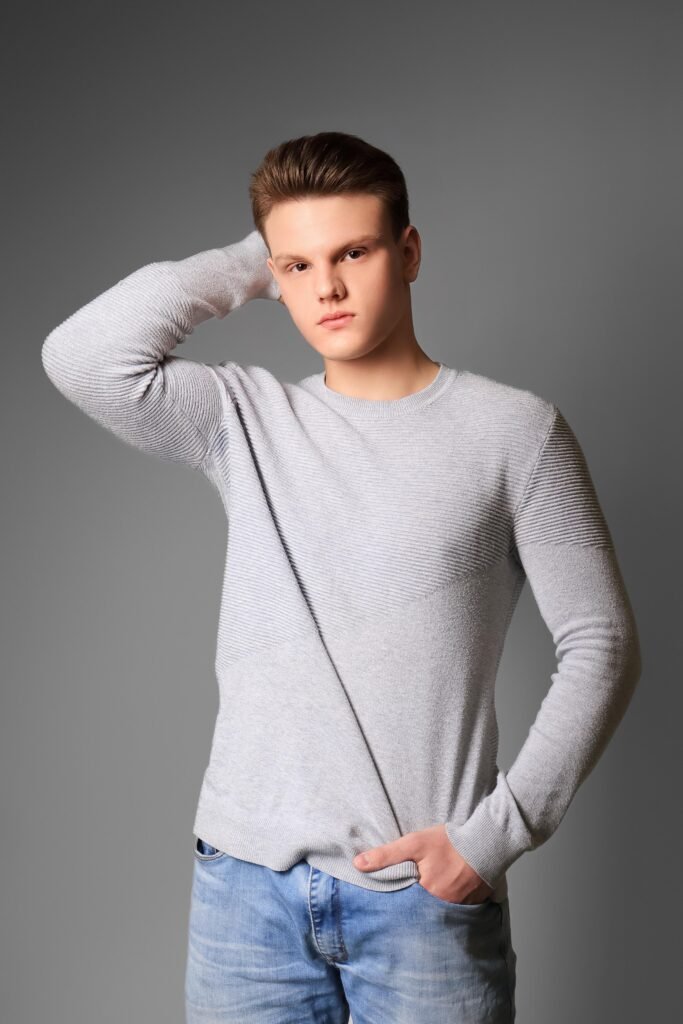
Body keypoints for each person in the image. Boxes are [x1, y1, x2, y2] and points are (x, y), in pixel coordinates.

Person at [41, 131, 642, 1024]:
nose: (325, 287)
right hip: (243, 893)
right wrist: (253, 260)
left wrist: (492, 840)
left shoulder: (515, 432)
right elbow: (82, 355)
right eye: (299, 266)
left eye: (352, 253)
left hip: (422, 904)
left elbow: (602, 647)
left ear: (408, 251)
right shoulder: (243, 419)